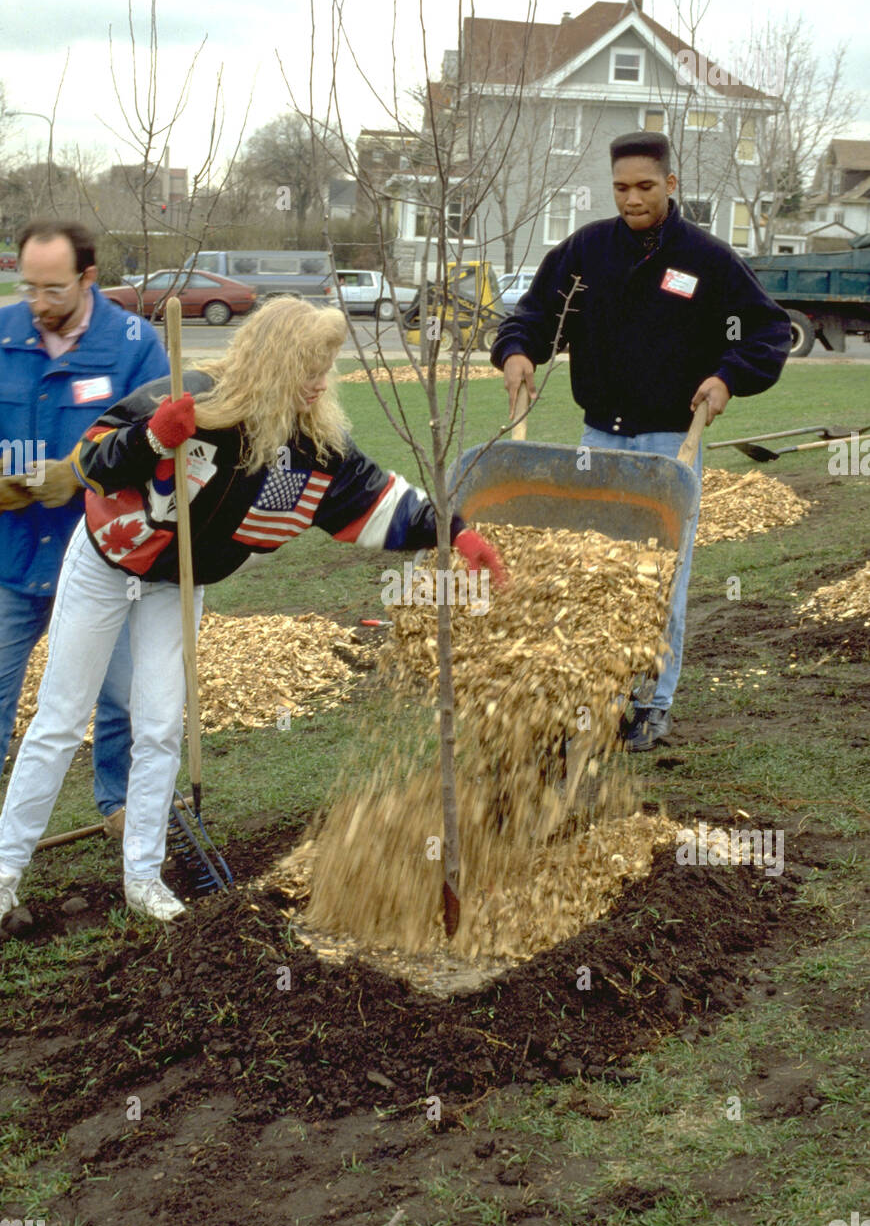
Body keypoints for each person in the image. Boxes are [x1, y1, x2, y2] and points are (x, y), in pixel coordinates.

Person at [0, 296, 505, 923]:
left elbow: (378, 499)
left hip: (176, 585)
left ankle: (143, 877)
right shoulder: (188, 396)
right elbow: (93, 461)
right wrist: (153, 437)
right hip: (107, 561)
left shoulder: (316, 446)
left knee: (160, 726)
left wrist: (454, 532)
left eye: (327, 366)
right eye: (306, 367)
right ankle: (5, 870)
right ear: (270, 360)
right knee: (59, 716)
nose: (319, 382)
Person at [492, 130, 791, 750]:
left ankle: (651, 702)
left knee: (659, 576)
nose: (632, 199)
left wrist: (728, 377)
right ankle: (596, 693)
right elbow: (534, 313)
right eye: (622, 188)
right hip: (597, 438)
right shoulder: (586, 251)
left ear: (671, 185)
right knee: (596, 572)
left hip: (667, 445)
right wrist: (517, 350)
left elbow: (765, 330)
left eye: (645, 187)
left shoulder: (707, 260)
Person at [0, 220, 169, 829]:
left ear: (89, 278)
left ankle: (119, 807)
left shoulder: (133, 344)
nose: (38, 305)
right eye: (29, 289)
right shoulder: (2, 333)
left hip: (104, 556)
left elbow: (162, 443)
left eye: (53, 290)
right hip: (11, 559)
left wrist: (77, 472)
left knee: (119, 694)